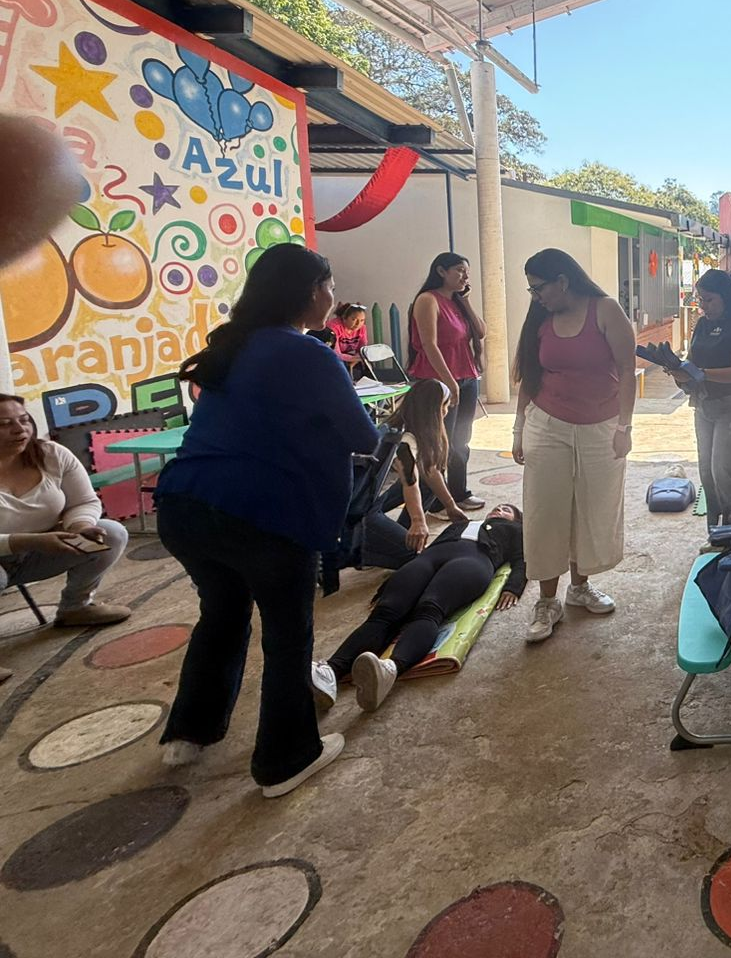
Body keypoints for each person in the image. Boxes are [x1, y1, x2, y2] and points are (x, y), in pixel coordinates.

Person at [155, 243, 381, 798]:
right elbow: (364, 436)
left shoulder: (235, 344)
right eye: (330, 286)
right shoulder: (308, 353)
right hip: (264, 514)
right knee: (287, 635)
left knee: (222, 613)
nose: (334, 297)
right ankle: (286, 759)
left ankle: (188, 733)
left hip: (185, 505)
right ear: (311, 291)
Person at [512, 249, 635, 643]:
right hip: (548, 425)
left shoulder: (606, 310)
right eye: (531, 290)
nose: (536, 296)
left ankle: (579, 588)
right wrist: (518, 429)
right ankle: (547, 601)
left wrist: (625, 426)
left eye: (539, 288)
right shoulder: (540, 317)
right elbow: (529, 375)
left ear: (563, 281)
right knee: (546, 510)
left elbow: (628, 371)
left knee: (591, 507)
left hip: (602, 427)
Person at [312, 505, 526, 712]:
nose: (499, 510)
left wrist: (513, 587)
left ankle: (390, 669)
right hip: (429, 558)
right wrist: (387, 586)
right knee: (387, 610)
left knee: (429, 608)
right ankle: (330, 671)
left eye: (507, 510)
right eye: (497, 507)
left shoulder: (514, 530)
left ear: (516, 520)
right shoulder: (462, 523)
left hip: (473, 561)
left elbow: (522, 559)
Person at [1, 394, 132, 685]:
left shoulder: (51, 454)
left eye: (24, 420)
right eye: (4, 424)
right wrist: (31, 541)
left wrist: (80, 526)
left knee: (111, 533)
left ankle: (76, 607)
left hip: (44, 548)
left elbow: (84, 501)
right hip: (15, 553)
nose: (19, 430)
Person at [679, 269, 731, 528]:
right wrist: (679, 372)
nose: (704, 306)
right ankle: (716, 532)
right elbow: (692, 361)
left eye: (709, 300)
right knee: (707, 474)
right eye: (701, 300)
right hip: (704, 406)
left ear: (726, 297)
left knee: (724, 473)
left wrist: (700, 374)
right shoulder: (703, 325)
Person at [407, 253, 486, 511]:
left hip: (467, 377)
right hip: (437, 382)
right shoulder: (428, 300)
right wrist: (450, 383)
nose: (465, 276)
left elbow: (481, 332)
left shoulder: (457, 302)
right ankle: (436, 503)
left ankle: (459, 492)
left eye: (467, 272)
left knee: (461, 440)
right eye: (460, 270)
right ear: (441, 271)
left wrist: (466, 301)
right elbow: (429, 344)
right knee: (439, 443)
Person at [366, 380, 469, 566]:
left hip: (373, 497)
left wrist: (450, 505)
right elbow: (410, 481)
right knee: (414, 555)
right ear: (434, 409)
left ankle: (396, 534)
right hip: (362, 508)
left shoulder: (412, 428)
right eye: (445, 406)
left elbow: (430, 471)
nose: (446, 411)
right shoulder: (403, 440)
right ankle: (354, 552)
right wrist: (418, 521)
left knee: (429, 485)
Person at [327, 303, 369, 378]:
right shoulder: (334, 327)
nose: (358, 324)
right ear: (344, 317)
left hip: (349, 356)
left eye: (362, 320)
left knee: (366, 365)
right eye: (354, 319)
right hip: (331, 356)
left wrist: (356, 360)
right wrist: (353, 359)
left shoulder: (362, 328)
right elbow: (335, 353)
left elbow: (363, 349)